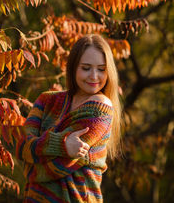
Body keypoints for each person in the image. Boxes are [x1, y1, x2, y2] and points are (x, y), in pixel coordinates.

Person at [16, 34, 122, 203]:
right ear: (73, 68)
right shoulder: (46, 100)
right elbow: (21, 146)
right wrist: (62, 144)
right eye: (86, 68)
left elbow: (57, 166)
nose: (94, 76)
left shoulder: (101, 108)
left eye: (101, 69)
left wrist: (31, 166)